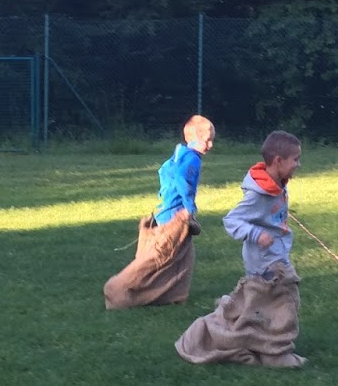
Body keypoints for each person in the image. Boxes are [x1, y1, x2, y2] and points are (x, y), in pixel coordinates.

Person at [176, 130, 305, 368]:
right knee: (285, 301)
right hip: (266, 261)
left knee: (261, 306)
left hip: (276, 255)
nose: (298, 164)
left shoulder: (276, 184)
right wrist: (257, 234)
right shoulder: (258, 195)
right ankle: (276, 354)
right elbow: (232, 220)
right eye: (295, 159)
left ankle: (252, 339)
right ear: (278, 161)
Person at [103, 115, 215, 309]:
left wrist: (165, 193)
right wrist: (189, 206)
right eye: (207, 140)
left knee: (183, 254)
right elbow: (182, 179)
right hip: (175, 215)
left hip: (165, 211)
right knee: (164, 255)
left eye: (212, 140)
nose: (210, 145)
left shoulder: (180, 153)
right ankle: (118, 289)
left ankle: (172, 293)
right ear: (193, 139)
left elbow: (163, 170)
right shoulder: (192, 159)